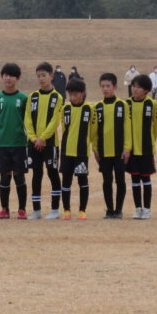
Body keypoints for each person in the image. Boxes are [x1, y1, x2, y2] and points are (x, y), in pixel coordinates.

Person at [25, 62, 64, 220]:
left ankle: (55, 209)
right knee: (36, 174)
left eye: (44, 75)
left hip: (50, 143)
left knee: (52, 173)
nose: (41, 79)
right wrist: (34, 138)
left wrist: (43, 138)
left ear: (51, 76)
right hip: (34, 143)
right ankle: (36, 210)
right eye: (39, 76)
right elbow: (27, 119)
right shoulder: (32, 97)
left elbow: (55, 121)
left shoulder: (57, 97)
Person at [0, 63, 30, 219]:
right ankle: (4, 209)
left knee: (19, 176)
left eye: (12, 75)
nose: (8, 78)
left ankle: (22, 209)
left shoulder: (24, 98)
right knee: (4, 176)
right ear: (2, 77)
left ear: (17, 78)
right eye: (6, 75)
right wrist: (1, 133)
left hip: (19, 143)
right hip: (2, 144)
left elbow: (28, 120)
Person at [92, 72, 131, 219]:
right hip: (104, 151)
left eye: (108, 86)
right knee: (106, 181)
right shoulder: (97, 107)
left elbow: (127, 128)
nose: (105, 89)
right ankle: (109, 210)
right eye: (102, 86)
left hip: (119, 151)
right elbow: (94, 131)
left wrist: (127, 148)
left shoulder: (122, 105)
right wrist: (95, 148)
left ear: (114, 87)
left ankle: (118, 210)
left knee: (120, 180)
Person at [59, 77, 96, 220]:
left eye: (75, 94)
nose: (73, 97)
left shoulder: (89, 109)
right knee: (66, 181)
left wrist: (91, 146)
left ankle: (82, 210)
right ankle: (66, 210)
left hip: (81, 152)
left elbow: (93, 131)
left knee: (82, 181)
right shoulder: (65, 109)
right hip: (66, 151)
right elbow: (64, 128)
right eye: (70, 94)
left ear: (83, 93)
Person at [126, 74, 157, 219]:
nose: (135, 89)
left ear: (146, 90)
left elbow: (156, 125)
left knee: (146, 179)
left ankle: (147, 209)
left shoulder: (151, 104)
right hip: (132, 149)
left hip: (146, 148)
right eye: (133, 86)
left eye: (138, 87)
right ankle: (138, 208)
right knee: (134, 179)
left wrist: (151, 141)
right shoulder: (127, 104)